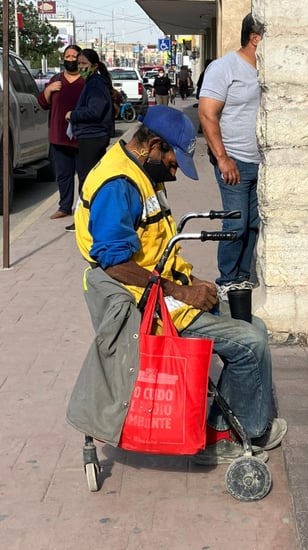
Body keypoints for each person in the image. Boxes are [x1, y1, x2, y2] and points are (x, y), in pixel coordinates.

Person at [72, 105, 287, 465]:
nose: (175, 173)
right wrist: (181, 291)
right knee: (249, 342)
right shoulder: (118, 185)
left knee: (255, 326)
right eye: (173, 162)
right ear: (153, 145)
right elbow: (115, 263)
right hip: (146, 309)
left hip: (160, 293)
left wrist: (190, 281)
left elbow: (154, 247)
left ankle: (226, 424)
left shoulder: (140, 169)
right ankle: (231, 437)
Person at [198, 13, 265, 300]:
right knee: (236, 224)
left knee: (254, 224)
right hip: (234, 161)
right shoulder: (224, 68)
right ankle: (226, 281)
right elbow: (206, 113)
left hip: (263, 163)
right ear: (255, 38)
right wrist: (223, 159)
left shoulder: (267, 70)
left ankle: (243, 279)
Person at [64, 48, 113, 232]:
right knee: (90, 178)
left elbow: (95, 110)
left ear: (94, 66)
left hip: (92, 136)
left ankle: (85, 220)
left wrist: (73, 115)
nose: (80, 67)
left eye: (84, 64)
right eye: (79, 64)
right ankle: (89, 218)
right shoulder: (93, 83)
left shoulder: (95, 84)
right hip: (91, 136)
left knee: (87, 180)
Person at [38, 45, 84, 220]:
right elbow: (43, 103)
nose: (70, 59)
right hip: (59, 137)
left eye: (74, 56)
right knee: (64, 175)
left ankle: (84, 208)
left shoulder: (87, 81)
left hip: (82, 137)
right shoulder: (56, 80)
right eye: (68, 55)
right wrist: (49, 90)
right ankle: (65, 207)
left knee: (85, 175)